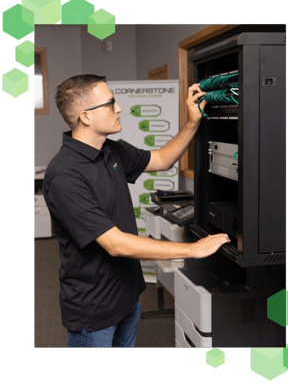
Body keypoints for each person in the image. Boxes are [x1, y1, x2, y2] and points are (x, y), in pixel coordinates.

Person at [42, 74, 230, 348]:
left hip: (128, 295)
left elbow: (163, 159)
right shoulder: (65, 175)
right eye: (110, 103)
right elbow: (115, 244)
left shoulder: (111, 151)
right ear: (85, 117)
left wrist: (193, 121)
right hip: (94, 309)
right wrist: (192, 249)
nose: (119, 108)